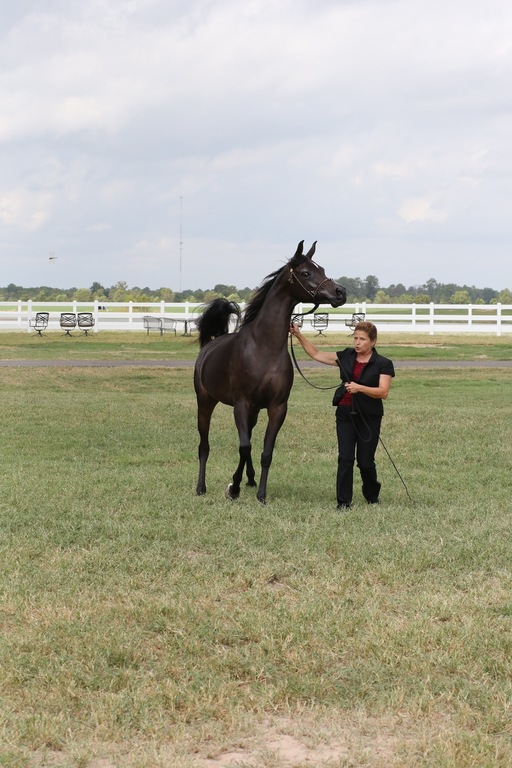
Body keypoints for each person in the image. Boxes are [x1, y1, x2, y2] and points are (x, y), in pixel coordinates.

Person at [289, 320, 395, 510]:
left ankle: (372, 495)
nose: (357, 342)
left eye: (362, 339)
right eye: (355, 338)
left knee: (365, 462)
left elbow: (383, 392)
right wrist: (298, 335)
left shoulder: (383, 364)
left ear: (373, 341)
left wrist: (359, 388)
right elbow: (316, 354)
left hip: (369, 417)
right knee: (345, 458)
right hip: (345, 415)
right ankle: (343, 503)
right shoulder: (346, 356)